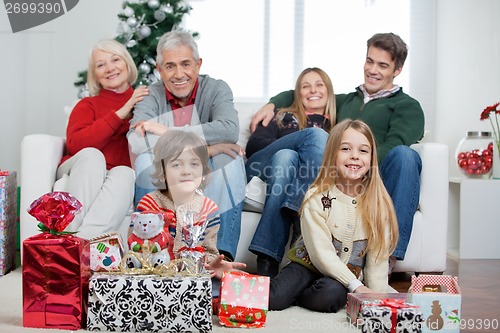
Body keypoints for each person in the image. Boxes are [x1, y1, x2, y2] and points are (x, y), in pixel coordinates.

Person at [250, 33, 424, 269]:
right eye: (369, 61)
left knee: (406, 154)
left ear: (397, 70)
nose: (373, 70)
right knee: (291, 153)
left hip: (373, 176)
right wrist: (273, 102)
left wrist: (356, 162)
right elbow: (305, 94)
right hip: (336, 176)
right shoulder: (346, 101)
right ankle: (288, 230)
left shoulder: (408, 107)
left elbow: (394, 145)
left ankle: (387, 258)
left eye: (382, 65)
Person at [127, 30, 246, 261]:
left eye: (186, 64)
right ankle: (151, 253)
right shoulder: (151, 95)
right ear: (159, 70)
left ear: (198, 65)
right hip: (171, 169)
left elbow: (228, 129)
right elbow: (137, 140)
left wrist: (167, 131)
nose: (179, 74)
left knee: (229, 157)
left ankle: (219, 259)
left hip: (207, 166)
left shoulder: (217, 88)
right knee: (144, 160)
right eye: (170, 66)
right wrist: (207, 148)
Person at [269, 119, 399, 313]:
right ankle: (287, 292)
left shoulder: (377, 204)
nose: (355, 156)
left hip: (342, 277)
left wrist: (376, 298)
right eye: (345, 149)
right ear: (332, 155)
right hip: (307, 264)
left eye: (363, 151)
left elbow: (377, 259)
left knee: (331, 296)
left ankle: (301, 296)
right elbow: (321, 254)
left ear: (371, 159)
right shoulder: (316, 197)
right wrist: (356, 287)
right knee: (275, 299)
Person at [245, 67, 336, 278]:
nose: (313, 90)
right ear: (298, 93)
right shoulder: (282, 115)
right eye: (306, 86)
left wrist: (293, 154)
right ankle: (300, 213)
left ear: (329, 91)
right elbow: (255, 146)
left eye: (319, 84)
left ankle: (267, 260)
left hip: (281, 168)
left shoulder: (336, 125)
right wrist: (297, 143)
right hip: (260, 166)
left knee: (286, 159)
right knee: (301, 144)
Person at [57, 39, 149, 243]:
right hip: (81, 167)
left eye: (115, 60)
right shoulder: (87, 104)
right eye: (100, 65)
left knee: (126, 174)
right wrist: (122, 112)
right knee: (92, 155)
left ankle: (77, 246)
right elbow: (77, 145)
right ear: (95, 75)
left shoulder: (145, 103)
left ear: (126, 63)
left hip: (116, 173)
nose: (109, 68)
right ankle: (68, 232)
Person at [135, 130, 246, 279]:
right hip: (156, 279)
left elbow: (209, 252)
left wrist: (212, 265)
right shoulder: (150, 204)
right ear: (163, 173)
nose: (186, 171)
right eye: (176, 165)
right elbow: (138, 249)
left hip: (193, 280)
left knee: (213, 287)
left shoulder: (208, 209)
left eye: (194, 164)